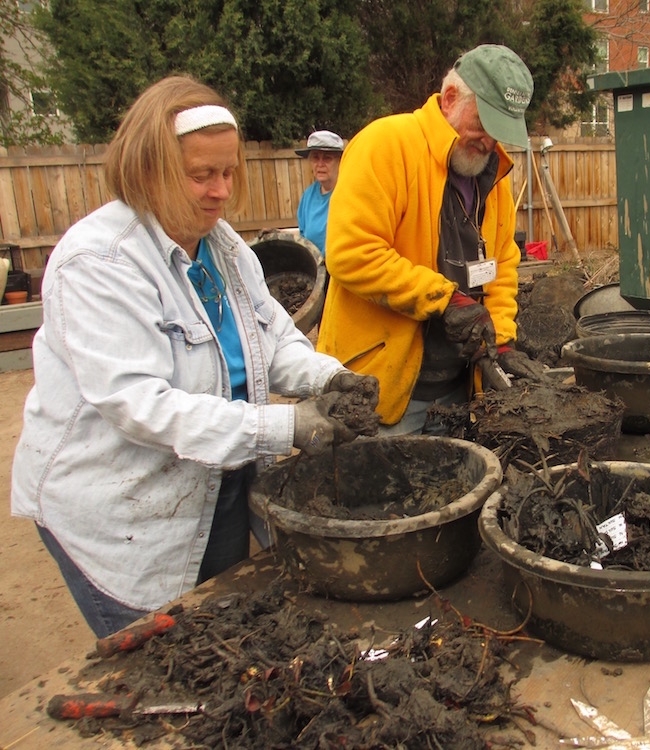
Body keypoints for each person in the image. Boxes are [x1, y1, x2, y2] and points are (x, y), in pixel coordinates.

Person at [10, 75, 378, 638]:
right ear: (148, 169)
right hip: (125, 509)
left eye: (228, 172)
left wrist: (332, 379)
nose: (220, 191)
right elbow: (142, 406)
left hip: (218, 480)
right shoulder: (99, 263)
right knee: (167, 665)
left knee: (226, 634)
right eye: (201, 175)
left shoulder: (225, 248)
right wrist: (288, 424)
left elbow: (274, 340)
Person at [316, 44, 546, 436]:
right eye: (484, 121)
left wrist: (501, 341)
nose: (489, 141)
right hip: (381, 392)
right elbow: (351, 252)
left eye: (500, 129)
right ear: (451, 98)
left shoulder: (494, 177)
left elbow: (503, 264)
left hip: (458, 391)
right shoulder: (386, 145)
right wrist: (443, 300)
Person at [295, 130, 345, 257]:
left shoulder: (348, 194)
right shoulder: (308, 196)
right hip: (316, 271)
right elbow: (303, 238)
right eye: (315, 157)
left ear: (340, 162)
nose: (320, 164)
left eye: (327, 158)